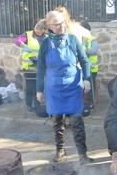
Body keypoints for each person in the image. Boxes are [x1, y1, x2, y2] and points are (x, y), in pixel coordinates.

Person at [36, 11, 93, 164]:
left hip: (73, 86)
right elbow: (41, 68)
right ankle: (60, 151)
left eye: (62, 23)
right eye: (56, 24)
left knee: (77, 122)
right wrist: (39, 90)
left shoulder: (73, 40)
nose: (61, 26)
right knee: (57, 122)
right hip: (54, 88)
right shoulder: (46, 44)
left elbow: (85, 61)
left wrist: (87, 79)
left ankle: (82, 154)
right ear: (49, 26)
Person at [14, 19, 47, 112]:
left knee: (39, 87)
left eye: (41, 30)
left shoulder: (46, 37)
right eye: (37, 29)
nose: (39, 32)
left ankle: (38, 106)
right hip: (29, 67)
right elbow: (17, 40)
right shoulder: (28, 35)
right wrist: (24, 46)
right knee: (30, 87)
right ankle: (28, 105)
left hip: (40, 67)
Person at [80, 21, 100, 109]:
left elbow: (94, 51)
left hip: (91, 68)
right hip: (81, 68)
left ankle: (91, 102)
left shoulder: (92, 39)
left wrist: (83, 49)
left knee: (90, 87)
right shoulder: (78, 38)